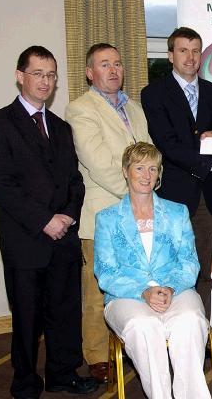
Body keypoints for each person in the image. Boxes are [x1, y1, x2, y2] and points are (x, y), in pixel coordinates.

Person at [0, 46, 96, 398]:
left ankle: (63, 374)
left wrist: (69, 216)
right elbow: (4, 186)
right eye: (38, 74)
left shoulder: (61, 128)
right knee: (27, 318)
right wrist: (45, 220)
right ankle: (26, 381)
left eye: (51, 75)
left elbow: (75, 181)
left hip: (64, 238)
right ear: (20, 76)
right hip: (26, 240)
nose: (46, 82)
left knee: (65, 312)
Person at [94, 142, 211, 399]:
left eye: (153, 168)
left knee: (190, 321)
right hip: (126, 295)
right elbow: (106, 272)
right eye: (139, 168)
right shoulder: (107, 218)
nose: (146, 175)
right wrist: (143, 292)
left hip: (176, 289)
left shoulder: (177, 212)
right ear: (126, 171)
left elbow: (190, 262)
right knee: (144, 326)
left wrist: (170, 287)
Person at [65, 43, 152, 383]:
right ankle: (98, 356)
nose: (113, 70)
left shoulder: (135, 108)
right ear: (90, 72)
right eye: (105, 64)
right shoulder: (80, 109)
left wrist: (147, 192)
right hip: (103, 214)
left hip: (140, 211)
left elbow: (149, 155)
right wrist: (140, 195)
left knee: (135, 283)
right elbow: (98, 163)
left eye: (117, 63)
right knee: (97, 289)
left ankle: (131, 346)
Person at [141, 27, 212, 318]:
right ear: (170, 55)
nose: (191, 56)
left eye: (196, 50)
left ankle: (201, 334)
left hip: (205, 198)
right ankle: (167, 336)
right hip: (171, 197)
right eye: (183, 50)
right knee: (169, 272)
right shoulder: (153, 93)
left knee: (200, 272)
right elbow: (168, 145)